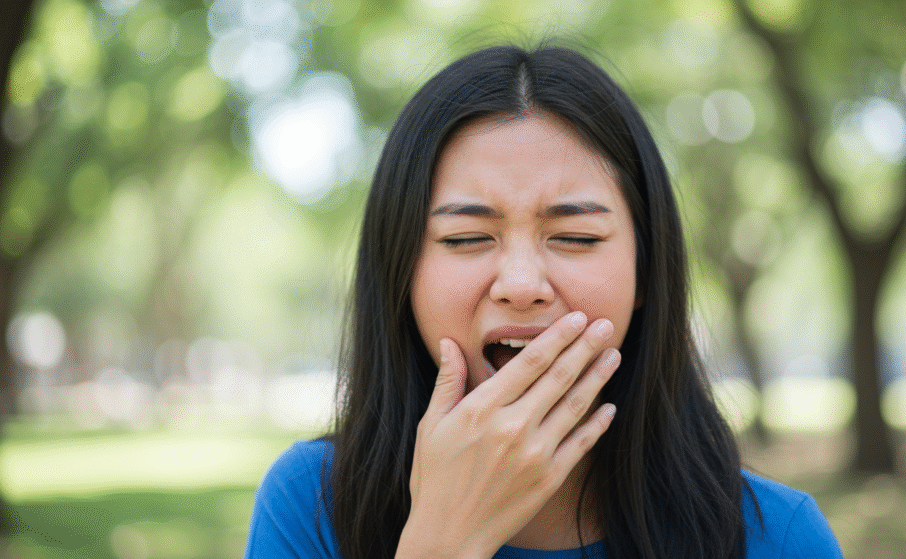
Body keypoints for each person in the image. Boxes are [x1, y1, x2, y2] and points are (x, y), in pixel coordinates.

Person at [245, 44, 844, 559]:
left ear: (647, 273)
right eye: (466, 239)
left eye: (577, 238)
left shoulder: (777, 535)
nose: (523, 283)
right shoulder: (310, 505)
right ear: (401, 275)